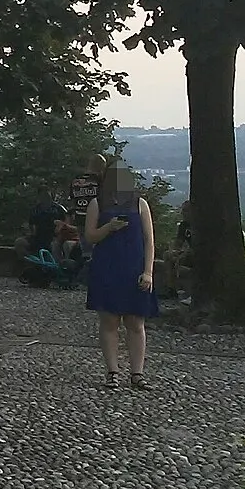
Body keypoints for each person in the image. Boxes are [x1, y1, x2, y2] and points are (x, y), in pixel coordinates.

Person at [85, 163, 159, 388]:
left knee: (136, 322)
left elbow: (149, 241)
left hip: (134, 267)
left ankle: (137, 373)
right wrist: (109, 227)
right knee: (109, 321)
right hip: (107, 267)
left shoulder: (140, 204)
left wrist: (148, 272)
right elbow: (90, 236)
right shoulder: (97, 204)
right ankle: (112, 371)